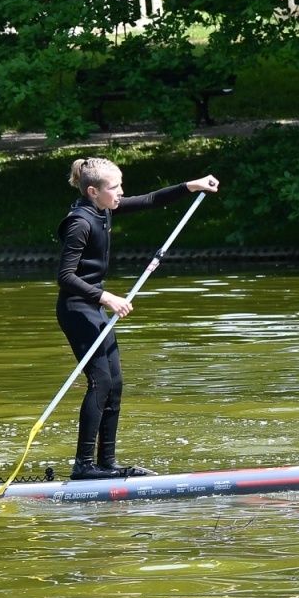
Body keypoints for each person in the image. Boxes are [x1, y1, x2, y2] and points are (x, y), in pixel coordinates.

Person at [56, 157, 219, 480]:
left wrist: (191, 186)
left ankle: (107, 463)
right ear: (93, 191)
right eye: (114, 187)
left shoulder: (104, 209)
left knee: (114, 383)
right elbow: (65, 276)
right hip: (76, 309)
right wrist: (106, 297)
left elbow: (150, 200)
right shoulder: (80, 223)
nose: (121, 192)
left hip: (93, 308)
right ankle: (83, 466)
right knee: (100, 382)